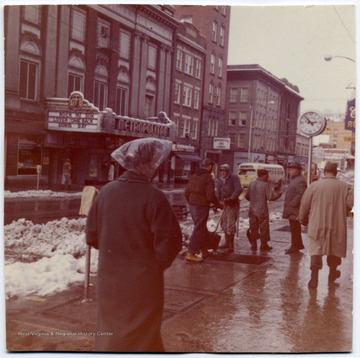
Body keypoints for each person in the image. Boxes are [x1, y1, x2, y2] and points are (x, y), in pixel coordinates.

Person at [85, 138, 182, 352]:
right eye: (156, 163)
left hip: (109, 281)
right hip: (143, 284)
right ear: (146, 164)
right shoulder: (155, 198)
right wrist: (150, 264)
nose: (158, 168)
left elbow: (91, 236)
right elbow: (171, 243)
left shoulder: (106, 192)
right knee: (142, 335)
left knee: (110, 332)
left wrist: (116, 249)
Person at [298, 161, 353, 289]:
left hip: (317, 223)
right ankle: (333, 272)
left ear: (324, 172)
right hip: (337, 223)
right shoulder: (345, 187)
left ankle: (314, 277)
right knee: (334, 248)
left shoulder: (314, 186)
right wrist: (345, 212)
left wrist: (302, 219)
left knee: (316, 249)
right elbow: (351, 205)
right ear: (336, 173)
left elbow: (304, 204)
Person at [185, 158, 222, 262]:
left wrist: (191, 201)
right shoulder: (208, 178)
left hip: (193, 205)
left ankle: (204, 250)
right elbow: (210, 196)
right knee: (198, 228)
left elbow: (186, 192)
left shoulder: (193, 176)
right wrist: (218, 205)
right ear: (210, 167)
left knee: (201, 228)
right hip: (201, 206)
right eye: (212, 167)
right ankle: (191, 253)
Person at [245, 169, 282, 252]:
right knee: (263, 228)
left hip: (252, 209)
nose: (268, 176)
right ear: (263, 175)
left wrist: (254, 201)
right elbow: (271, 197)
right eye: (267, 175)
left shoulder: (252, 183)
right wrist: (279, 193)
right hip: (262, 210)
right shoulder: (265, 185)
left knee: (253, 227)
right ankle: (264, 245)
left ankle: (253, 245)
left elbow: (247, 196)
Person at [215, 163, 243, 252]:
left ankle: (231, 245)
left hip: (232, 204)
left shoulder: (233, 178)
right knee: (223, 223)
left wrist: (231, 198)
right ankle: (226, 242)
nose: (222, 173)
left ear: (227, 171)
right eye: (221, 171)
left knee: (230, 224)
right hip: (223, 204)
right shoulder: (219, 180)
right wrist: (217, 203)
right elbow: (218, 191)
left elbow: (238, 189)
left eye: (224, 171)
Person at [282, 162, 307, 254]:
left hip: (295, 209)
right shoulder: (295, 179)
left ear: (297, 171)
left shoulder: (300, 180)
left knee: (295, 228)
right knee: (294, 228)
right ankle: (297, 245)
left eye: (291, 169)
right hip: (292, 209)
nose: (289, 171)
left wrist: (293, 203)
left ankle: (294, 246)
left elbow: (301, 193)